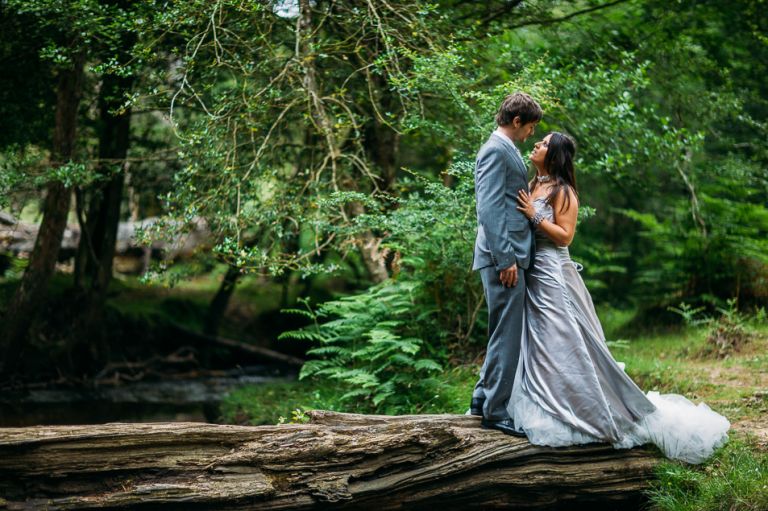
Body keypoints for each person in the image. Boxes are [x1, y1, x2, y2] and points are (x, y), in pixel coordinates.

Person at [509, 131, 729, 464]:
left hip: (553, 272)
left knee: (563, 339)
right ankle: (545, 399)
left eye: (543, 143)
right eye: (538, 141)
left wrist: (534, 216)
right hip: (533, 274)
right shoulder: (533, 184)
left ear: (553, 155)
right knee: (539, 341)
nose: (536, 145)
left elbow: (565, 237)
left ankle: (587, 408)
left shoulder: (563, 191)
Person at [470, 92, 542, 436]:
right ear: (517, 121)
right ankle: (495, 410)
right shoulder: (495, 150)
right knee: (507, 334)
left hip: (509, 254)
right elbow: (488, 208)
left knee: (502, 330)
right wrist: (505, 259)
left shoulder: (505, 149)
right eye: (530, 127)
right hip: (504, 257)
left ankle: (481, 397)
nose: (531, 133)